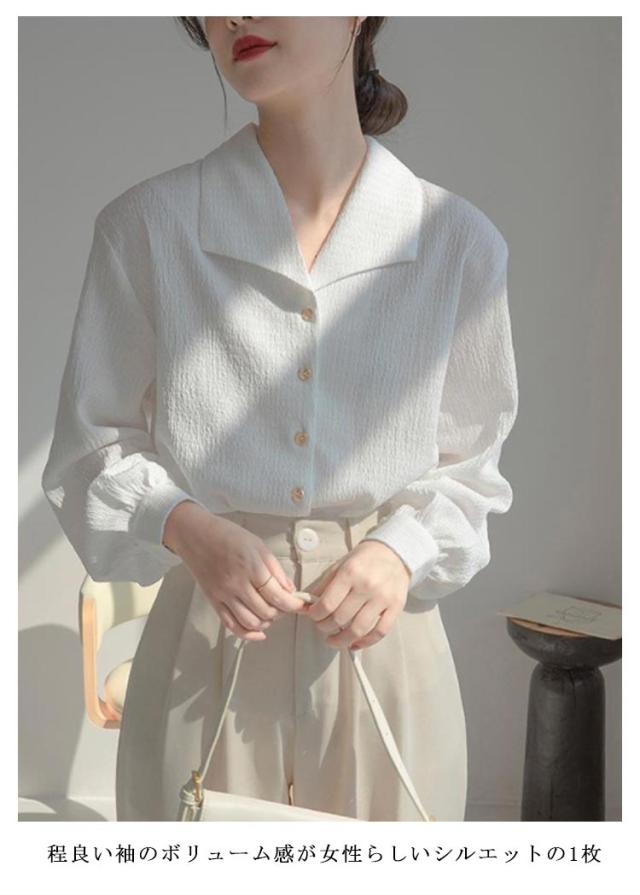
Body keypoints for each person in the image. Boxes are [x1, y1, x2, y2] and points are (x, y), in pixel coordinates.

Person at [41, 16, 519, 822]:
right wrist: (188, 527)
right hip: (204, 643)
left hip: (384, 647)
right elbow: (90, 448)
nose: (234, 12)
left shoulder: (458, 245)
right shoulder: (147, 229)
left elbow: (472, 469)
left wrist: (399, 551)